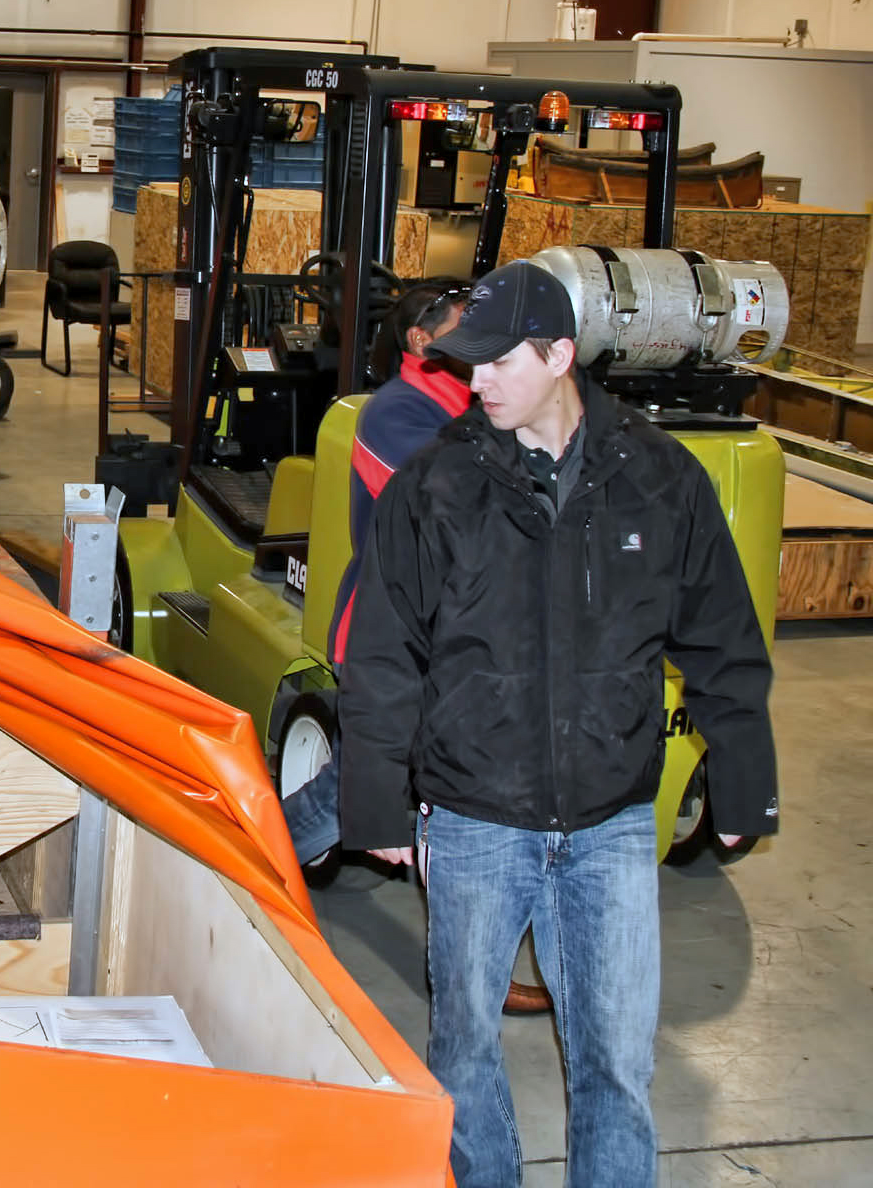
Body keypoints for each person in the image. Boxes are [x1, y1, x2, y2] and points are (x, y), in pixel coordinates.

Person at [339, 260, 777, 1187]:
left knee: (617, 1065)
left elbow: (724, 641)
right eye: (468, 363)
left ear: (560, 354)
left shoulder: (661, 482)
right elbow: (382, 656)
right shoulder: (437, 487)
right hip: (472, 820)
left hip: (610, 824)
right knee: (462, 1048)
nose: (476, 380)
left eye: (496, 362)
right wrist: (377, 805)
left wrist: (743, 782)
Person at [282, 278, 470, 865]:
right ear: (420, 339)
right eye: (466, 326)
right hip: (389, 639)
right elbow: (459, 509)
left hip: (453, 639)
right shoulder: (393, 414)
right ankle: (245, 863)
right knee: (346, 797)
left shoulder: (479, 404)